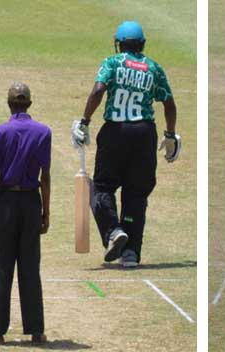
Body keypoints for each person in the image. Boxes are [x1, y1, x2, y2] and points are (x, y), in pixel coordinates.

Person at [71, 21, 179, 268]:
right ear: (142, 44)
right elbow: (169, 103)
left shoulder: (112, 62)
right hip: (144, 134)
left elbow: (99, 90)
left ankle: (113, 231)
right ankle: (131, 253)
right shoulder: (154, 68)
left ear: (119, 44)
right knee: (136, 193)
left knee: (102, 187)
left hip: (115, 132)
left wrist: (85, 121)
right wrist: (170, 134)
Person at [0, 82, 50, 345]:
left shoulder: (0, 132)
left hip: (8, 202)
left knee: (3, 268)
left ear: (9, 104)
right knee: (30, 267)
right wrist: (46, 211)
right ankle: (37, 331)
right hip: (32, 201)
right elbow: (45, 176)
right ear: (29, 105)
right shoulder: (43, 132)